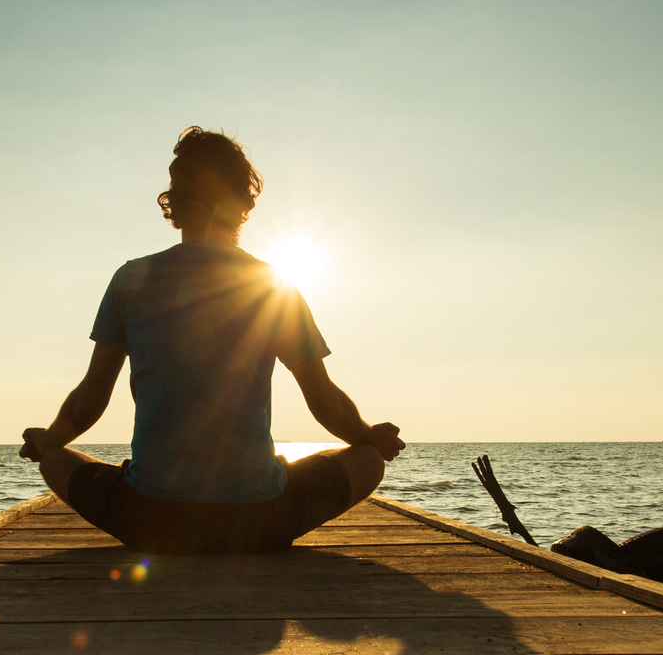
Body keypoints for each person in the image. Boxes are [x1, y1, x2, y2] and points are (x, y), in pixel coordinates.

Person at [20, 126, 405, 555]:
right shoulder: (273, 285)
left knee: (56, 459)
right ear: (243, 202)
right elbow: (325, 402)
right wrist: (370, 434)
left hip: (151, 520)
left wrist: (49, 440)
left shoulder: (131, 280)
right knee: (367, 460)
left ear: (175, 201)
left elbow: (89, 401)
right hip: (257, 522)